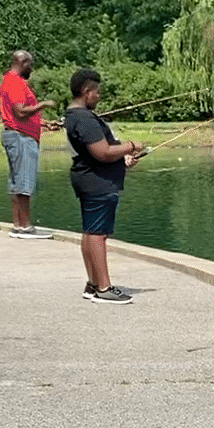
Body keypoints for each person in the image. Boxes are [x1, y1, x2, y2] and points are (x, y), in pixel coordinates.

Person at [64, 68, 146, 304]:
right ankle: (104, 288)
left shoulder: (73, 115)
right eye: (96, 92)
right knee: (98, 235)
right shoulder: (85, 119)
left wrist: (122, 160)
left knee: (90, 232)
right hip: (97, 183)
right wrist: (130, 146)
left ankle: (92, 284)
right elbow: (102, 152)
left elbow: (99, 153)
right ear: (86, 91)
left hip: (90, 177)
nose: (99, 96)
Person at [0, 49, 57, 239]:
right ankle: (25, 227)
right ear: (23, 63)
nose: (31, 69)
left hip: (19, 134)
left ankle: (18, 225)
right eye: (30, 65)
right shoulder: (15, 82)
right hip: (21, 138)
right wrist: (43, 105)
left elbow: (22, 115)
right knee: (24, 184)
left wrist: (43, 123)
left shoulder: (10, 80)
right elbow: (20, 112)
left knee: (17, 182)